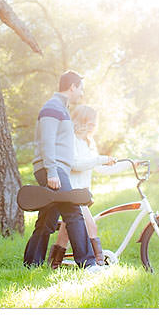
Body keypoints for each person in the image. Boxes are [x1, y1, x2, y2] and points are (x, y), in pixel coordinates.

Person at [22, 71, 102, 271]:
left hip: (57, 169)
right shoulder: (52, 107)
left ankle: (31, 264)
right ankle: (89, 264)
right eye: (81, 88)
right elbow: (47, 141)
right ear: (72, 87)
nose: (82, 93)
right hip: (53, 169)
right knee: (74, 212)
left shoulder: (61, 108)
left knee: (47, 219)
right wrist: (52, 172)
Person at [47, 105, 128, 268]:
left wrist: (129, 164)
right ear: (82, 121)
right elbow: (75, 164)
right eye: (91, 122)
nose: (93, 125)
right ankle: (97, 264)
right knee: (91, 226)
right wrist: (100, 159)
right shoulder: (71, 140)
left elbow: (99, 168)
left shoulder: (88, 142)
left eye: (94, 122)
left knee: (65, 232)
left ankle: (54, 264)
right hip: (72, 192)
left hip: (82, 194)